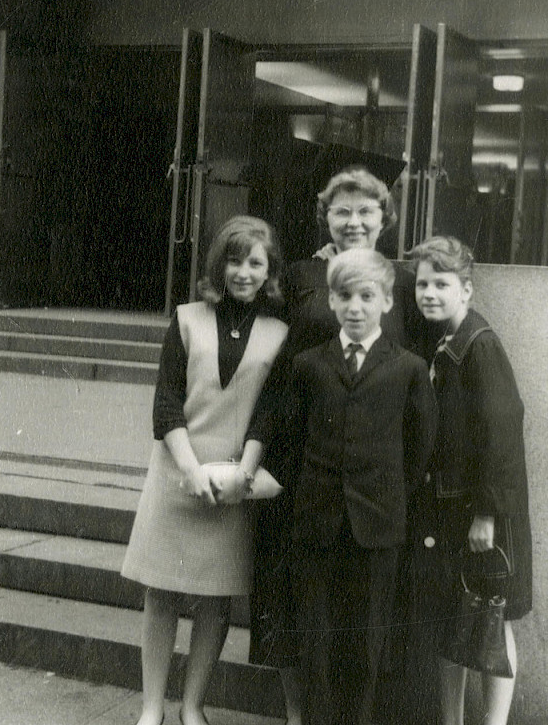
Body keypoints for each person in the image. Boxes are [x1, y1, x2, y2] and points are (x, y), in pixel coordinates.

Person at [249, 166, 420, 725]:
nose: (353, 221)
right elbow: (270, 366)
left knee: (366, 621)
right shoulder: (302, 275)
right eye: (342, 211)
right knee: (308, 613)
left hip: (375, 479)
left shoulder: (407, 282)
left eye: (365, 210)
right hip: (309, 470)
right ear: (326, 217)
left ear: (383, 217)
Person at [121, 216, 288, 725]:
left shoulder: (280, 332)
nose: (243, 272)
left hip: (236, 480)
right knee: (161, 592)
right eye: (234, 261)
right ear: (219, 265)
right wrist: (190, 468)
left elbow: (269, 411)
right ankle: (152, 707)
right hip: (177, 469)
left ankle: (193, 707)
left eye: (254, 263)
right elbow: (166, 402)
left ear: (269, 271)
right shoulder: (186, 317)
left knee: (215, 599)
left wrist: (246, 472)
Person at [282, 247, 436, 725]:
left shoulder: (408, 368)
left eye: (367, 296)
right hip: (318, 523)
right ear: (330, 301)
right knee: (319, 640)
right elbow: (291, 440)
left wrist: (386, 496)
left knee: (367, 642)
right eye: (345, 296)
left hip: (378, 525)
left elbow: (419, 447)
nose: (355, 307)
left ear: (387, 302)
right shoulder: (308, 364)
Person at [407, 236, 533, 725]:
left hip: (483, 514)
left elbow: (503, 433)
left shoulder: (479, 346)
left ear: (467, 290)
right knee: (450, 620)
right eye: (423, 284)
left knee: (491, 620)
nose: (430, 293)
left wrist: (486, 514)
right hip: (448, 507)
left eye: (442, 283)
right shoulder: (443, 344)